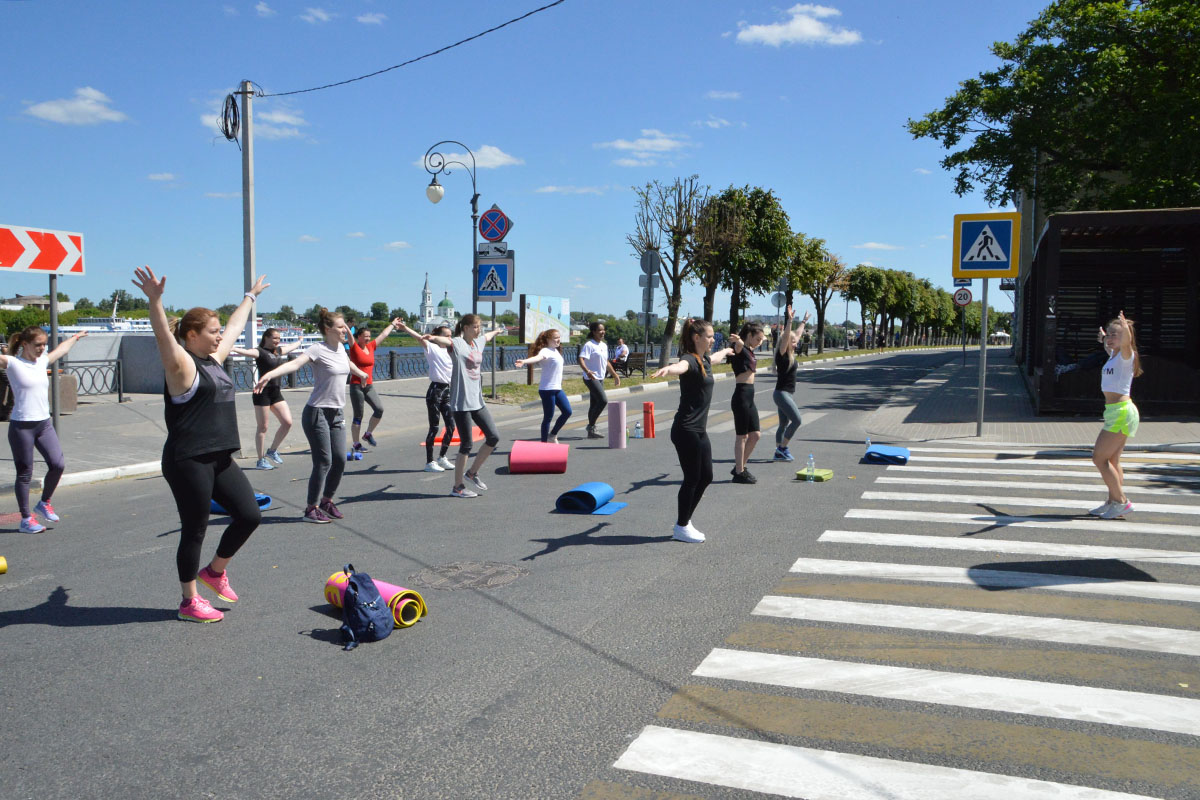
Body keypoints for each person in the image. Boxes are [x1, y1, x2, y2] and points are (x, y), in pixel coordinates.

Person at [132, 266, 266, 623]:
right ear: (191, 336)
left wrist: (250, 297)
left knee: (250, 515)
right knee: (195, 527)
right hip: (187, 459)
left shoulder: (214, 362)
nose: (220, 337)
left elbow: (236, 326)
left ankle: (215, 571)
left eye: (219, 332)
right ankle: (189, 601)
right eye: (212, 332)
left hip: (219, 456)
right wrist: (155, 301)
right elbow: (163, 336)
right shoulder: (182, 366)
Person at [254, 309, 368, 523]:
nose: (346, 329)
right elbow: (295, 364)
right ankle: (310, 508)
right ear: (328, 329)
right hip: (317, 412)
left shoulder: (341, 350)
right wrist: (269, 374)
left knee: (341, 460)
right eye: (341, 326)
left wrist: (359, 373)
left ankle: (326, 501)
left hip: (336, 412)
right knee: (324, 461)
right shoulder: (318, 349)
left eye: (346, 326)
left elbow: (346, 363)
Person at [652, 319, 738, 543]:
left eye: (713, 337)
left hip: (698, 430)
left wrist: (728, 349)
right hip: (686, 429)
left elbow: (716, 358)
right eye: (709, 336)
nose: (712, 339)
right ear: (696, 338)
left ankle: (685, 521)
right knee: (692, 478)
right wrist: (668, 369)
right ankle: (681, 526)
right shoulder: (689, 359)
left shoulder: (705, 359)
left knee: (706, 476)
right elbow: (681, 367)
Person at [1, 326, 86, 533]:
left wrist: (76, 337)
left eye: (44, 344)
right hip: (22, 426)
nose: (42, 348)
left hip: (43, 424)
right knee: (25, 474)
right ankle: (26, 519)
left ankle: (44, 502)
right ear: (24, 344)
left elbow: (62, 349)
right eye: (38, 345)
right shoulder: (13, 363)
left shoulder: (42, 361)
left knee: (58, 464)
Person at [425, 314, 503, 498]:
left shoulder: (478, 343)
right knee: (466, 444)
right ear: (466, 327)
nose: (479, 330)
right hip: (461, 403)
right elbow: (444, 340)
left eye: (480, 327)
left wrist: (497, 331)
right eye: (475, 327)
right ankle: (457, 487)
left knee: (493, 437)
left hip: (477, 401)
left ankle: (472, 473)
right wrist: (432, 337)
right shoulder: (457, 343)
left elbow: (488, 336)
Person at [1091, 310, 1143, 520]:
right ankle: (1113, 502)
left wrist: (1125, 330)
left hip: (1121, 413)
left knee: (1099, 458)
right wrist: (1105, 339)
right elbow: (1110, 346)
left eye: (1115, 335)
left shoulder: (1125, 356)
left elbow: (1127, 344)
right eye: (1109, 334)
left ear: (1126, 338)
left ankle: (1121, 501)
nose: (1110, 338)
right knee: (1112, 460)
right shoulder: (1114, 356)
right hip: (1117, 412)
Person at [231, 328, 303, 470]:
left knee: (287, 422)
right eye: (275, 338)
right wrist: (231, 347)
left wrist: (300, 341)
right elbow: (245, 352)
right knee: (263, 427)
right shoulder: (260, 352)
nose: (278, 341)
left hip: (276, 392)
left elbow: (291, 347)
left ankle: (272, 450)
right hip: (262, 393)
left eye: (279, 338)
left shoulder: (279, 351)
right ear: (266, 338)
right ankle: (260, 460)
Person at [397, 320, 456, 473]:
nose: (450, 339)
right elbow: (419, 337)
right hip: (435, 391)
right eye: (447, 336)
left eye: (451, 336)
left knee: (451, 426)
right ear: (438, 337)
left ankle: (442, 457)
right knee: (434, 427)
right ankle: (429, 462)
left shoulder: (451, 351)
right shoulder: (432, 348)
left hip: (447, 391)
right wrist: (405, 328)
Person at [347, 318, 402, 456]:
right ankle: (356, 444)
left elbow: (383, 335)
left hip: (369, 386)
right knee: (358, 415)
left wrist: (392, 324)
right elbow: (348, 334)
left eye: (369, 337)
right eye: (365, 337)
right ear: (358, 337)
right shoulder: (354, 348)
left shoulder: (371, 346)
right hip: (356, 386)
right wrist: (344, 325)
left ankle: (368, 434)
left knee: (379, 409)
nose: (367, 339)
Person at [516, 329, 572, 443]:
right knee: (548, 417)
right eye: (555, 338)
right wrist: (524, 361)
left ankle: (552, 435)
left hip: (557, 388)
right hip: (547, 389)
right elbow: (537, 358)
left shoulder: (556, 351)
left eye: (559, 337)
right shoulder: (545, 351)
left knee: (567, 412)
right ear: (547, 340)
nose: (558, 340)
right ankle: (543, 443)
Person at [772, 305, 811, 462]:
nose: (796, 343)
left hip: (786, 393)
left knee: (783, 424)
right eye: (793, 342)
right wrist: (789, 321)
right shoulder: (782, 355)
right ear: (787, 342)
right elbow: (788, 337)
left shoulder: (791, 353)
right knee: (797, 420)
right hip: (781, 394)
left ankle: (778, 452)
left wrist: (803, 321)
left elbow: (798, 334)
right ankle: (782, 449)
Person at [729, 320, 766, 483]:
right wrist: (739, 341)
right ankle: (739, 472)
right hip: (742, 395)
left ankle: (740, 467)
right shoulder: (740, 348)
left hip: (750, 396)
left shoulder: (749, 350)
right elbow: (738, 346)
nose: (759, 342)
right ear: (749, 336)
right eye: (757, 339)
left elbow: (749, 344)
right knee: (742, 436)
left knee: (756, 435)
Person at [578, 320, 620, 439]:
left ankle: (591, 430)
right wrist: (587, 371)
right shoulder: (589, 345)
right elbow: (581, 359)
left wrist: (615, 375)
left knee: (594, 404)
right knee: (603, 400)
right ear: (594, 332)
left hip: (601, 377)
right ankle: (591, 427)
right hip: (590, 377)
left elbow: (606, 362)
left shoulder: (603, 345)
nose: (603, 332)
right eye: (600, 330)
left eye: (603, 330)